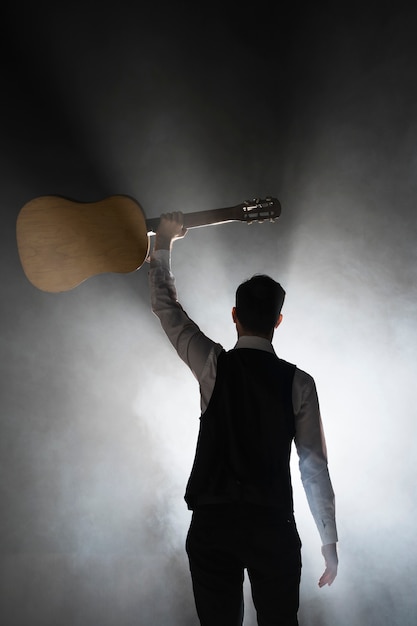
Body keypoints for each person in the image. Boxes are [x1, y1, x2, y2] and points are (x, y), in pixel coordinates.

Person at [149, 211, 338, 626]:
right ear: (278, 320)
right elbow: (313, 469)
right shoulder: (299, 383)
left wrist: (162, 243)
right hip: (272, 526)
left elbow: (166, 307)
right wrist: (329, 540)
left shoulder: (213, 366)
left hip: (214, 524)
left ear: (235, 316)